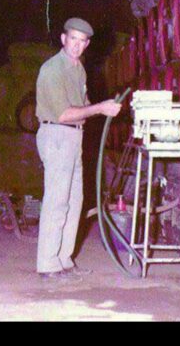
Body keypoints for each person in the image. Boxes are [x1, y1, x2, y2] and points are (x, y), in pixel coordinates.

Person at [34, 17, 122, 280]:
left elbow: (82, 105)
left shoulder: (78, 69)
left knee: (75, 201)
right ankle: (47, 263)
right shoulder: (52, 70)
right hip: (57, 134)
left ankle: (64, 259)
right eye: (73, 39)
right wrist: (100, 109)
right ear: (63, 39)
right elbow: (62, 113)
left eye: (82, 42)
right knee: (57, 201)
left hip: (74, 137)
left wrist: (104, 107)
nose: (77, 46)